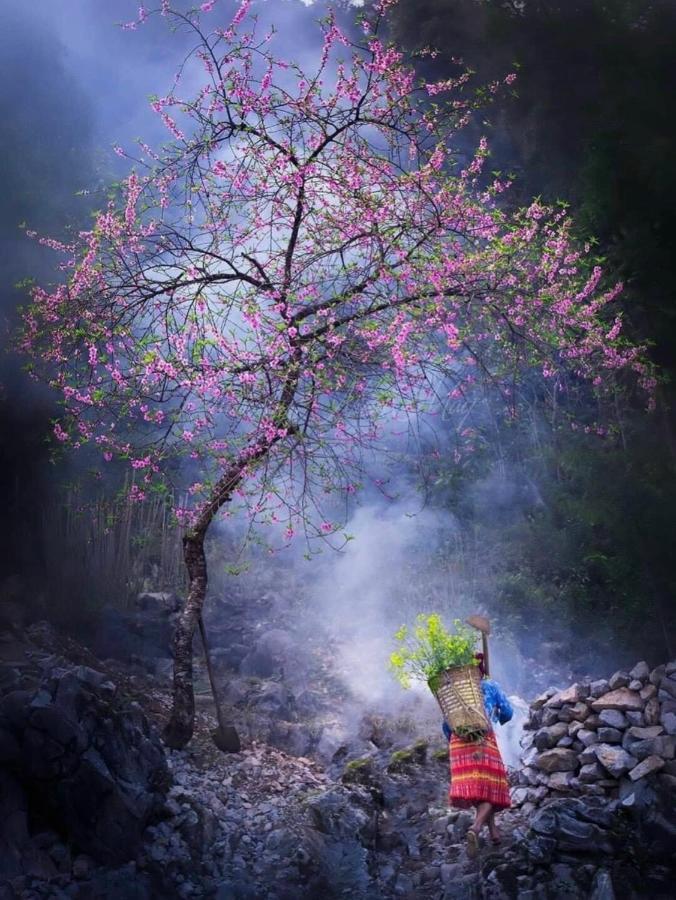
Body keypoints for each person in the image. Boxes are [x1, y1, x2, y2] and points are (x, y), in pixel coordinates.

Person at [442, 653, 513, 858]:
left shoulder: (452, 691)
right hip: (482, 739)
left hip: (458, 743)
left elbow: (446, 725)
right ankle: (476, 828)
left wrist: (455, 739)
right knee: (491, 786)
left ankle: (494, 832)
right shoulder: (490, 686)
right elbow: (507, 713)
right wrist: (497, 714)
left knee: (477, 788)